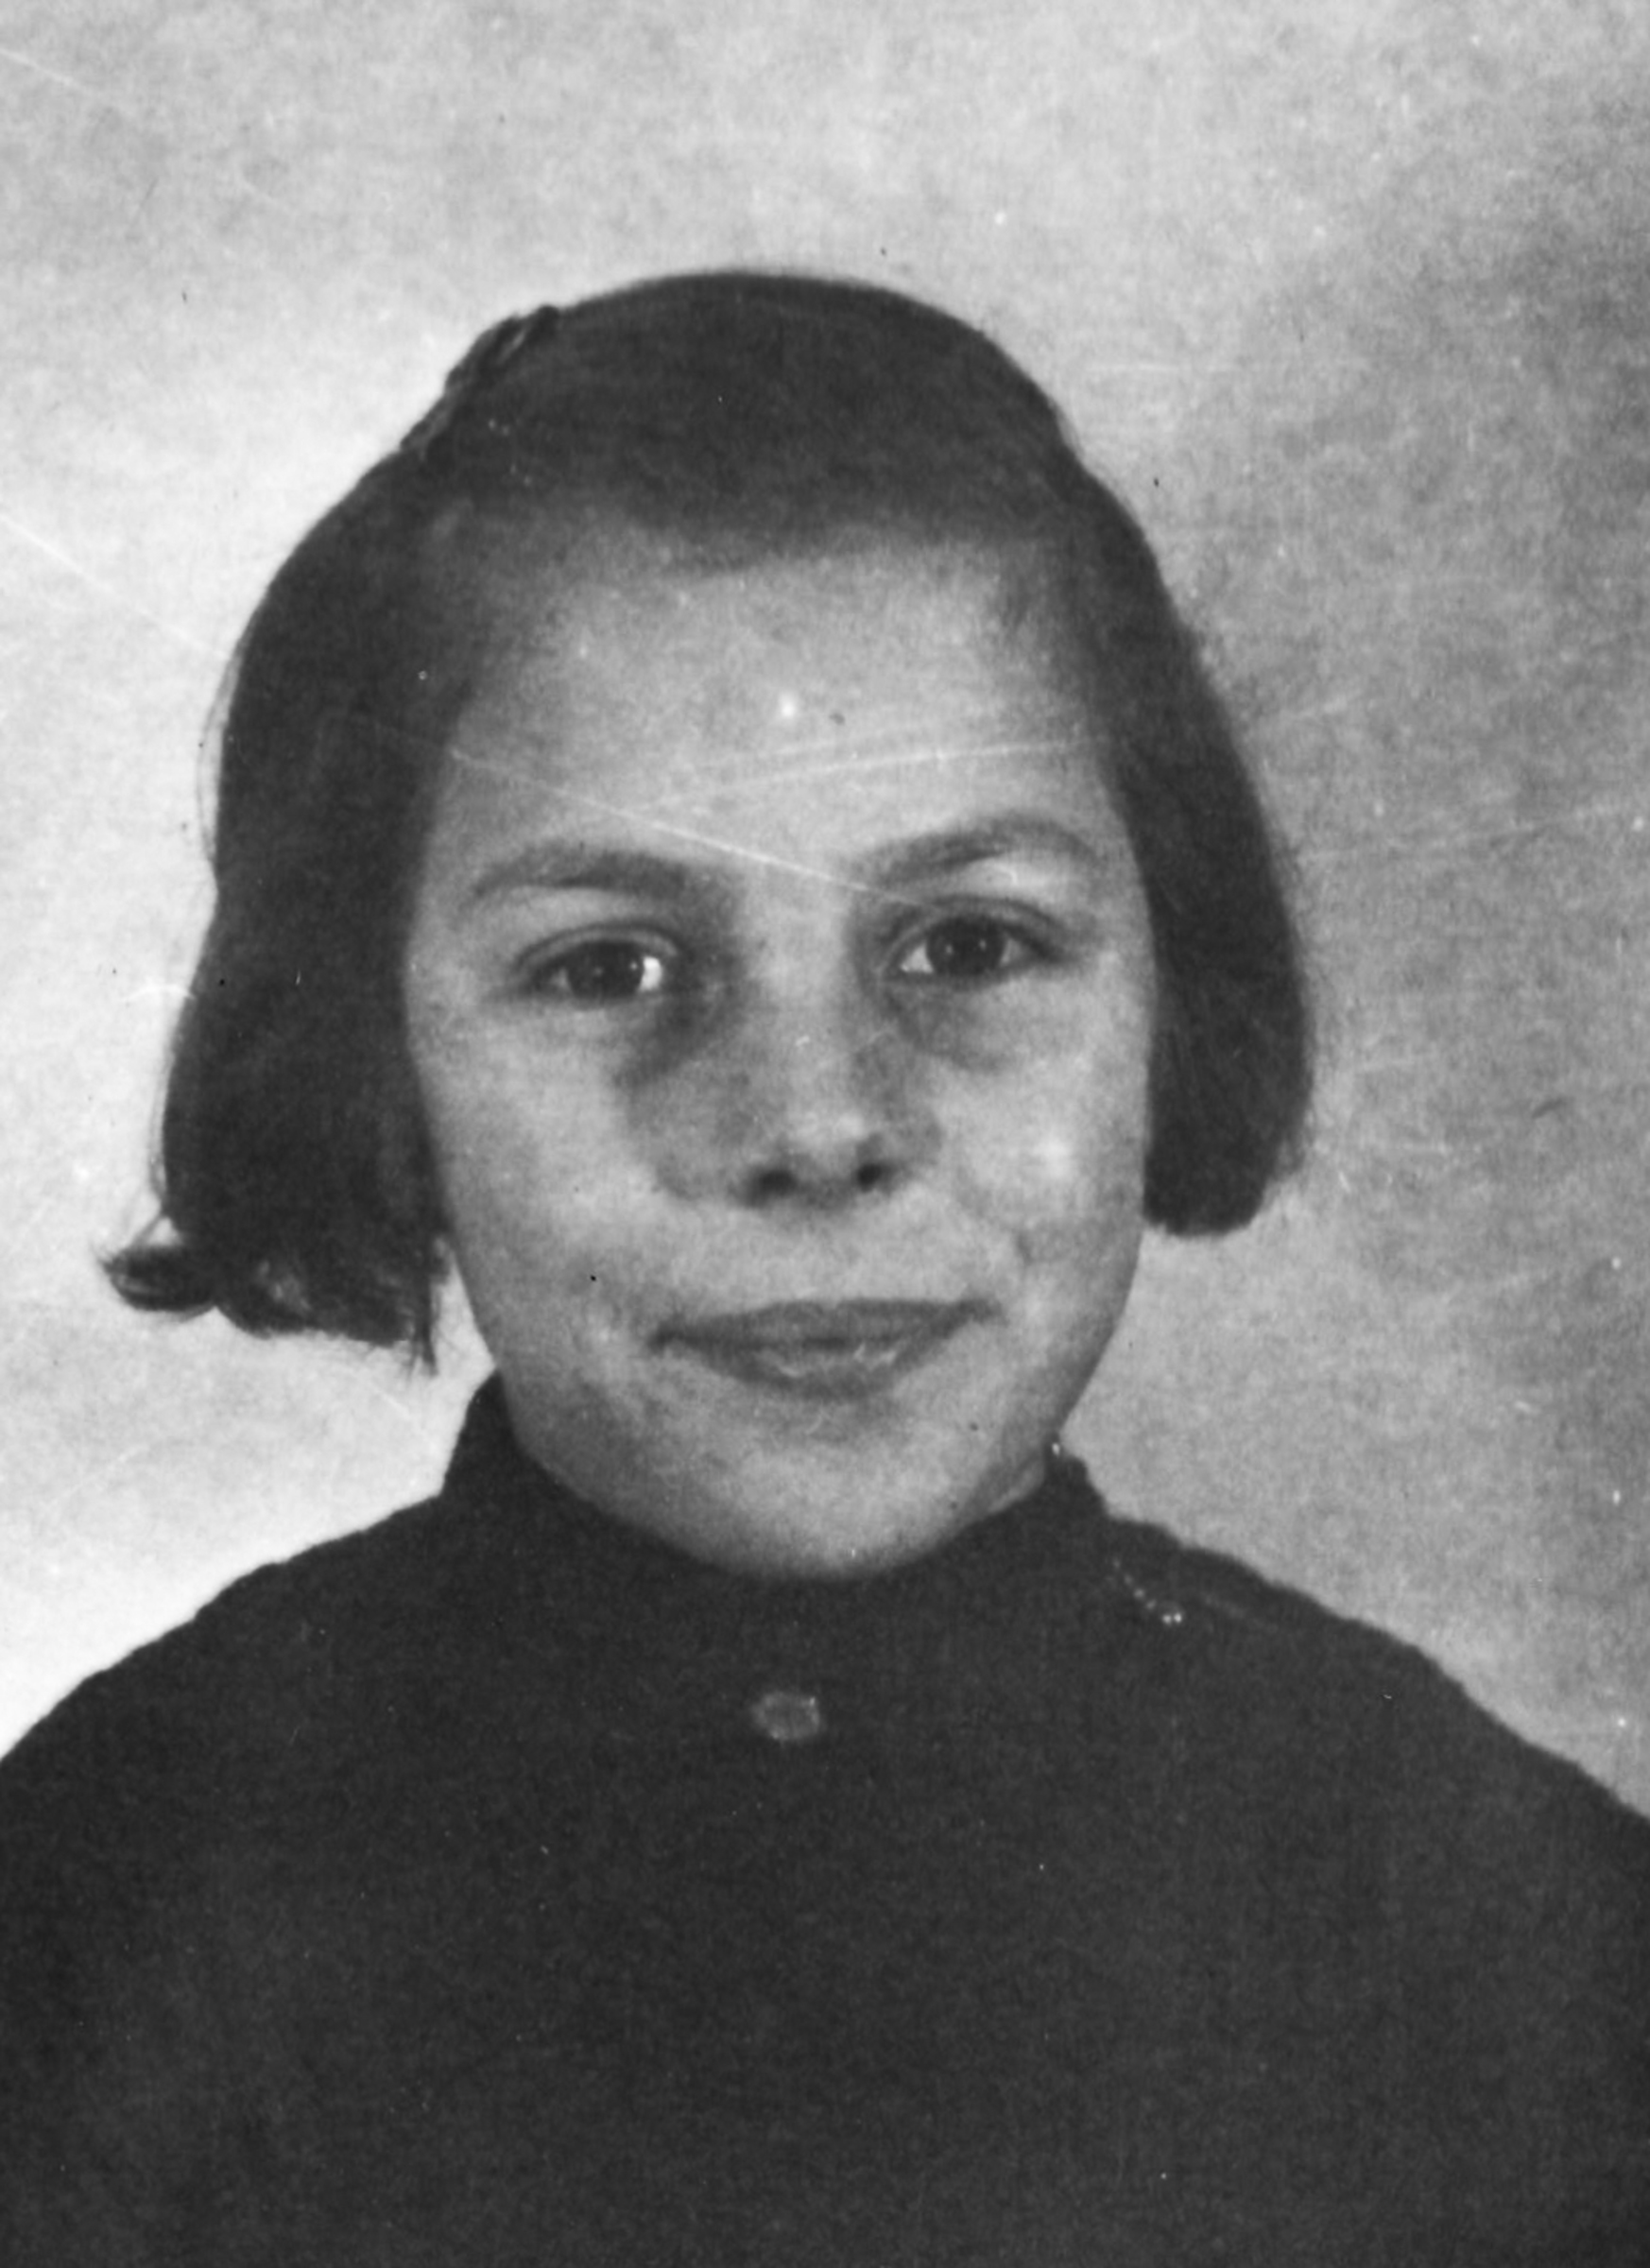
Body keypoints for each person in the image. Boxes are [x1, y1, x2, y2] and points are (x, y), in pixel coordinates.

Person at [1, 271, 1645, 2267]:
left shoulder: (1500, 1923)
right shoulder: (108, 1903)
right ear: (371, 1057)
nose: (816, 1122)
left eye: (969, 945)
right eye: (610, 967)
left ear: (1171, 998)